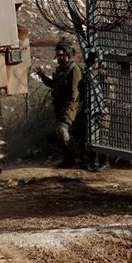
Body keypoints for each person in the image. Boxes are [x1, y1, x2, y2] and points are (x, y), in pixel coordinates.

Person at [35, 39, 85, 169]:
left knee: (62, 130)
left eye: (61, 55)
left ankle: (72, 158)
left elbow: (75, 93)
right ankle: (69, 159)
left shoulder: (74, 70)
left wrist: (67, 107)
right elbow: (55, 86)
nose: (58, 57)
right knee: (62, 134)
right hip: (60, 106)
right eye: (57, 55)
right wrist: (43, 77)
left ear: (67, 55)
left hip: (70, 107)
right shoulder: (60, 70)